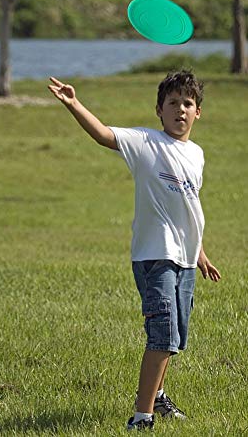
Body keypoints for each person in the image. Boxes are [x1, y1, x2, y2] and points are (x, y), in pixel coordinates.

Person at [48, 71, 221, 431]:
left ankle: (157, 397)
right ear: (159, 110)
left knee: (175, 339)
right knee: (163, 333)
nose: (181, 110)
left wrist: (200, 252)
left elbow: (188, 208)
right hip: (155, 256)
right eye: (172, 103)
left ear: (198, 112)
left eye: (188, 103)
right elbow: (104, 135)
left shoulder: (197, 155)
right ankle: (141, 418)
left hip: (185, 259)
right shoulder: (146, 142)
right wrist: (74, 103)